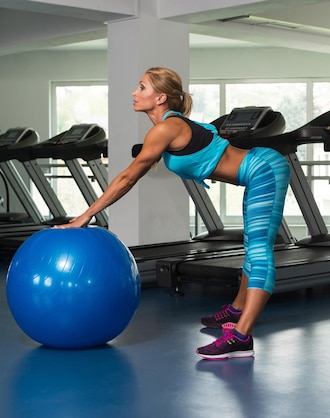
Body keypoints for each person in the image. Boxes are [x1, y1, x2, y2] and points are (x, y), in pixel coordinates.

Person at [56, 67, 290, 360]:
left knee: (259, 249)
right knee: (251, 246)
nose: (134, 92)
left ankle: (241, 337)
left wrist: (86, 215)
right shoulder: (168, 126)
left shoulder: (166, 128)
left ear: (160, 97)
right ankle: (236, 309)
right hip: (256, 172)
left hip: (265, 169)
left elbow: (128, 177)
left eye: (141, 87)